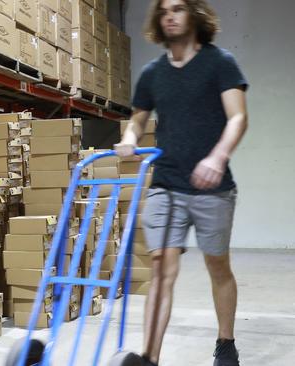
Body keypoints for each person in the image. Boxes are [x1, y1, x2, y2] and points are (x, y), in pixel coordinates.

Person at [114, 0, 249, 365]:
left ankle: (225, 342)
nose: (170, 15)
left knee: (217, 266)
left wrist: (217, 157)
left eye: (178, 8)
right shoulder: (152, 73)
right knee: (161, 268)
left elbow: (237, 118)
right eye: (164, 10)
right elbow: (137, 119)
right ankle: (149, 359)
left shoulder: (220, 63)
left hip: (213, 188)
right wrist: (129, 138)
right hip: (166, 184)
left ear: (195, 15)